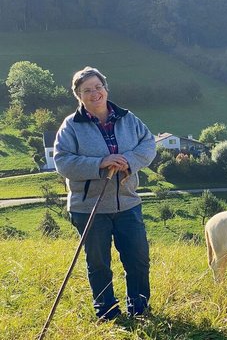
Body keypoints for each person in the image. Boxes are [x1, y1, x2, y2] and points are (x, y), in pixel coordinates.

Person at [53, 66, 156, 320]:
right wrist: (101, 162)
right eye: (87, 90)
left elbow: (149, 144)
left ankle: (140, 309)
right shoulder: (71, 126)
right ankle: (107, 312)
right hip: (89, 207)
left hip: (128, 204)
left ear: (106, 88)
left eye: (98, 87)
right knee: (99, 264)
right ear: (79, 96)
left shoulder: (128, 119)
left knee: (138, 259)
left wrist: (128, 160)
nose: (94, 93)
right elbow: (62, 162)